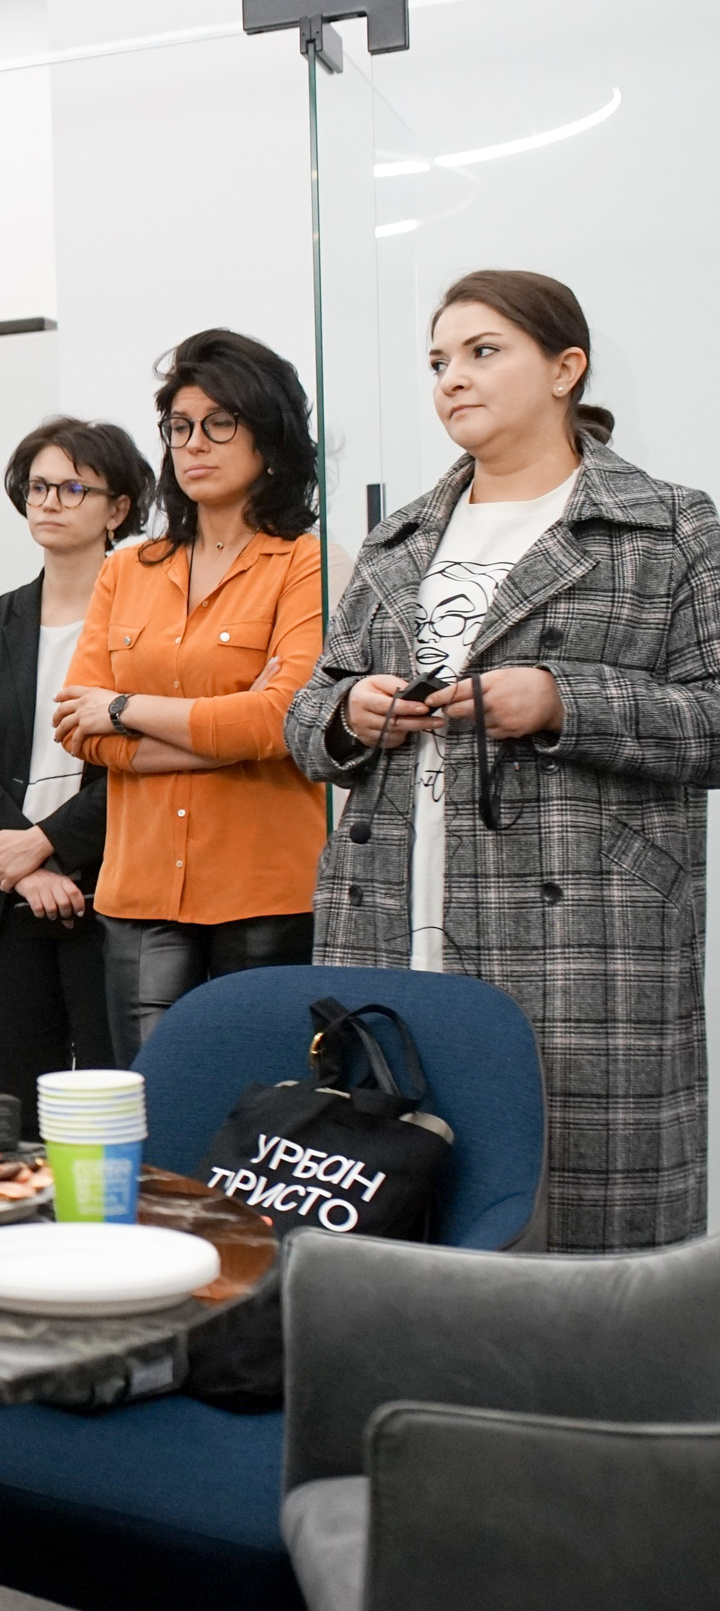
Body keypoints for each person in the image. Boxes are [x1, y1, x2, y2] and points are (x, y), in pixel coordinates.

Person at [289, 270, 720, 1252]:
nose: (452, 379)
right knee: (403, 1220)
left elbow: (714, 717)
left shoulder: (665, 526)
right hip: (391, 919)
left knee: (579, 1238)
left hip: (586, 943)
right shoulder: (398, 541)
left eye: (483, 352)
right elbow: (306, 719)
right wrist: (352, 711)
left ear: (565, 368)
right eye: (438, 360)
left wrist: (565, 700)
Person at [52, 329, 327, 1061]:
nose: (194, 444)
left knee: (258, 1111)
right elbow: (78, 729)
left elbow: (280, 721)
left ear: (268, 436)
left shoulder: (306, 565)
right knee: (155, 1105)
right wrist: (218, 739)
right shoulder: (128, 570)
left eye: (218, 424)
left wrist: (125, 708)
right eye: (179, 428)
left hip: (265, 889)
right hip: (139, 889)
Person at [0, 419, 151, 1138]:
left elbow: (141, 763)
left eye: (72, 487)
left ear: (116, 509)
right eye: (38, 486)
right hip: (0, 901)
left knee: (103, 1102)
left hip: (106, 892)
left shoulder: (144, 624)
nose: (50, 501)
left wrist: (51, 847)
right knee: (15, 1109)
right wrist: (23, 864)